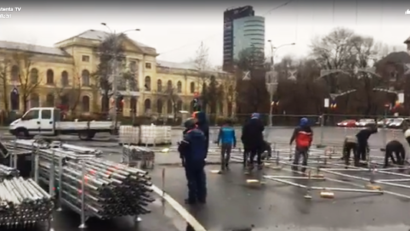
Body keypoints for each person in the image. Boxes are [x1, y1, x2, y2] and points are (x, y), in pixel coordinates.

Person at [178, 118, 207, 205]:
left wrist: (180, 149)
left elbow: (183, 146)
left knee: (192, 179)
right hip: (200, 159)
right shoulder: (201, 134)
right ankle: (202, 197)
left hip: (190, 160)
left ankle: (192, 199)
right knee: (201, 179)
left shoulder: (189, 135)